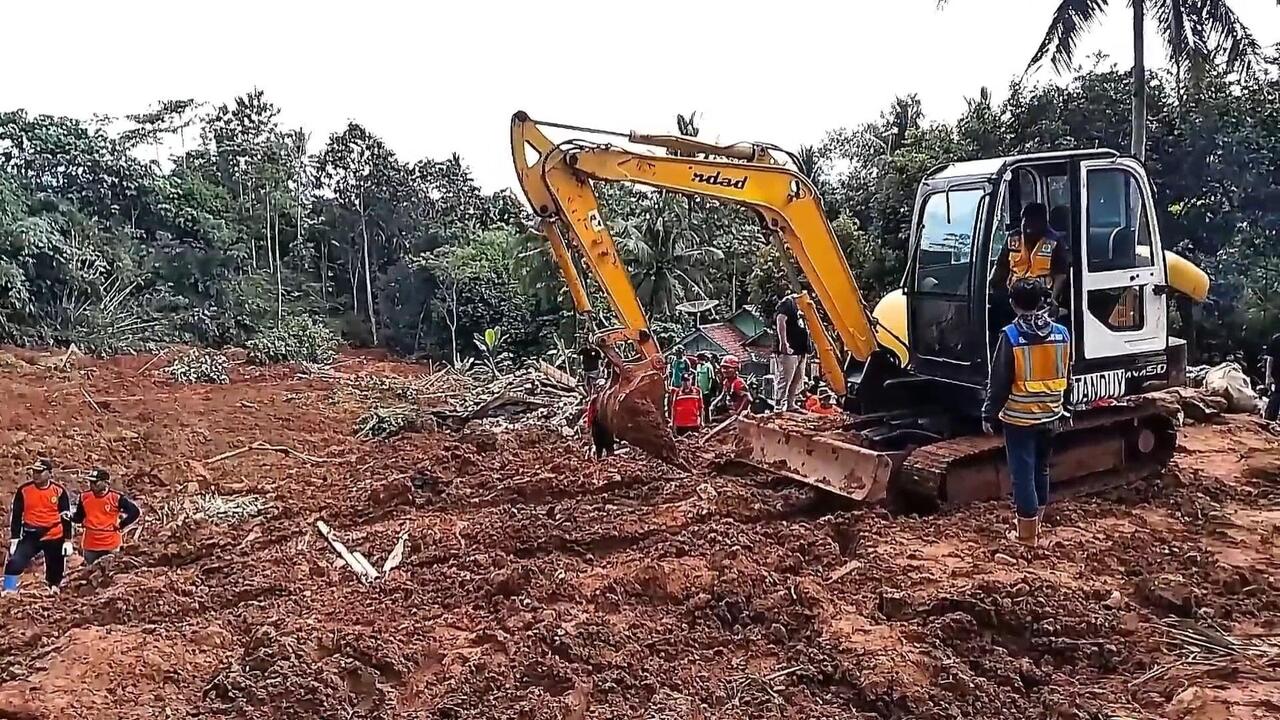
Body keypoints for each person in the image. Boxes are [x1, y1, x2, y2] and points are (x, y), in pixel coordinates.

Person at [982, 280, 1073, 547]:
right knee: (1041, 470)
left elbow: (999, 381)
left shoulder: (1010, 336)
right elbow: (1067, 373)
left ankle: (1026, 537)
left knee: (1022, 475)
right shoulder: (1061, 333)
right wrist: (1065, 407)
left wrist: (989, 414)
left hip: (1020, 418)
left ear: (1013, 304)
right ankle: (1037, 525)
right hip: (1051, 414)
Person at [4, 458, 73, 593]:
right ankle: (8, 590)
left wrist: (68, 540)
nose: (36, 475)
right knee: (14, 563)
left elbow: (66, 516)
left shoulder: (59, 491)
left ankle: (53, 590)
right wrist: (15, 538)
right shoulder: (24, 490)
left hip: (54, 534)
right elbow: (17, 515)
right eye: (34, 472)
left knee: (55, 568)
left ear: (49, 474)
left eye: (40, 472)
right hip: (31, 534)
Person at [992, 203, 1070, 310]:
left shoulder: (1055, 241)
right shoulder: (1013, 239)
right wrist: (991, 284)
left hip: (1041, 297)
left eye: (1033, 225)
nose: (1029, 230)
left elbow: (1061, 275)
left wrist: (1054, 300)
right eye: (1025, 224)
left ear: (1044, 224)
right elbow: (1000, 266)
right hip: (1013, 295)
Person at [71, 469, 141, 566]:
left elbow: (135, 512)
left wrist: (121, 525)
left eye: (95, 482)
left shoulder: (116, 498)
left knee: (111, 571)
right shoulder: (84, 497)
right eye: (90, 482)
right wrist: (68, 517)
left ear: (105, 483)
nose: (92, 485)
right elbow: (78, 517)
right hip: (91, 545)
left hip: (111, 544)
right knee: (91, 573)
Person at [773, 294, 811, 411]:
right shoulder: (788, 303)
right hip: (789, 349)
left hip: (800, 349)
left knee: (797, 378)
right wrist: (783, 342)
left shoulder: (804, 306)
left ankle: (790, 403)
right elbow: (781, 320)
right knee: (785, 378)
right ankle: (779, 404)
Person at [1265, 331, 1280, 422]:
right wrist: (1268, 375)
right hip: (1278, 375)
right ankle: (1268, 421)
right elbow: (1270, 359)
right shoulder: (1277, 339)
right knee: (1276, 397)